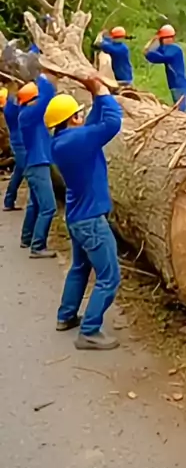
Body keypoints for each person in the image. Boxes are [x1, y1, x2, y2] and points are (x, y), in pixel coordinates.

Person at [45, 77, 123, 350]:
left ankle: (66, 316)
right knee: (109, 276)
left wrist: (96, 99)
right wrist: (102, 92)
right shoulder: (77, 140)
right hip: (91, 221)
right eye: (78, 113)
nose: (82, 116)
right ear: (72, 119)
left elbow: (92, 125)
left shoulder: (65, 141)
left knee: (80, 268)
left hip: (78, 217)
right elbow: (112, 123)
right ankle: (90, 330)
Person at [18, 75, 57, 257]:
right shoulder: (29, 115)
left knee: (35, 204)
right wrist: (42, 76)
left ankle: (26, 238)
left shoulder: (28, 116)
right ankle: (38, 246)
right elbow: (48, 96)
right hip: (37, 165)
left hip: (34, 164)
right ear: (31, 101)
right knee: (49, 207)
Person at [143, 22, 186, 112]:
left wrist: (149, 47)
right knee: (178, 110)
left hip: (179, 85)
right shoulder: (167, 49)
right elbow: (150, 53)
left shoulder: (174, 50)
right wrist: (152, 41)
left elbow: (156, 56)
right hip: (174, 85)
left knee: (181, 112)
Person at [1, 84, 26, 212]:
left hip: (18, 141)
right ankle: (9, 200)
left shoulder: (10, 106)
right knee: (22, 169)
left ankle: (9, 200)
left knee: (19, 171)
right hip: (19, 142)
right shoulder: (12, 108)